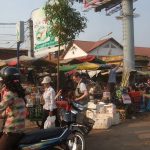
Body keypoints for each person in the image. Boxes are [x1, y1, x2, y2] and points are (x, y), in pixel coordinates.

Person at [0, 66, 26, 150]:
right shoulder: (19, 92)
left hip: (12, 130)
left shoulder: (9, 94)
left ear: (6, 81)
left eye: (2, 81)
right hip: (19, 129)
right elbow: (14, 109)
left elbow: (1, 107)